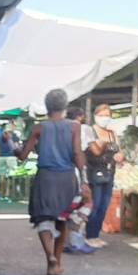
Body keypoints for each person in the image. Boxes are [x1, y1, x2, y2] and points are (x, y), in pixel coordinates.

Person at [18, 89, 87, 275]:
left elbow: (24, 155)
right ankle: (56, 262)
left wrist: (16, 150)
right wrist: (85, 179)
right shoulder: (75, 126)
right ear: (65, 106)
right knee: (61, 219)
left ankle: (50, 257)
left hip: (45, 178)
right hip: (66, 178)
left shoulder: (39, 128)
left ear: (47, 107)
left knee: (43, 219)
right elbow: (77, 153)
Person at [82, 103, 123, 247]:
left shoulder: (112, 133)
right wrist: (104, 145)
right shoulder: (90, 131)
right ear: (95, 116)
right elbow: (94, 151)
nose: (105, 118)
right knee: (95, 204)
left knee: (104, 205)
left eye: (107, 115)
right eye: (102, 115)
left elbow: (118, 151)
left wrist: (119, 156)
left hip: (109, 173)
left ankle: (96, 234)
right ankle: (89, 235)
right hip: (94, 173)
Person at [62, 107, 95, 256]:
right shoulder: (84, 129)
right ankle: (76, 242)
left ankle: (64, 243)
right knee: (86, 203)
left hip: (59, 174)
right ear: (81, 116)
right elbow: (89, 151)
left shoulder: (58, 129)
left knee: (66, 209)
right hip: (75, 172)